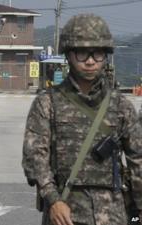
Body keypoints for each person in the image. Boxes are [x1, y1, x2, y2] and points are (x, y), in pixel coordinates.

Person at [22, 14, 142, 225]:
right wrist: (53, 199)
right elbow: (35, 158)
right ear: (68, 55)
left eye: (97, 54)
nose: (90, 61)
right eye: (82, 53)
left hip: (112, 214)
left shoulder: (121, 106)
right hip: (64, 212)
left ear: (106, 56)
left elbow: (138, 161)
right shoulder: (48, 103)